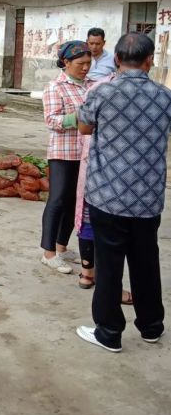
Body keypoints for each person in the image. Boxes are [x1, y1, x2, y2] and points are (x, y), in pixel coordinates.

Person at [76, 32, 171, 352]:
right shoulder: (164, 96)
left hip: (108, 194)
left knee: (110, 263)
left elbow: (85, 127)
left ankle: (109, 332)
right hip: (147, 198)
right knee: (146, 261)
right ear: (149, 61)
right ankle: (152, 327)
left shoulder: (102, 93)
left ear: (116, 59)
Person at [74, 73, 133, 305]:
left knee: (88, 220)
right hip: (118, 176)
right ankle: (109, 289)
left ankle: (87, 273)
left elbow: (84, 129)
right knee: (111, 233)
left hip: (92, 167)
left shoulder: (96, 90)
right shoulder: (151, 93)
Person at [40, 41, 92, 273]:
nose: (85, 68)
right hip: (63, 152)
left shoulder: (91, 86)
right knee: (58, 199)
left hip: (85, 154)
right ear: (66, 62)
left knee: (75, 202)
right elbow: (51, 120)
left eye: (89, 63)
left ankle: (62, 247)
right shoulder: (56, 87)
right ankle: (48, 252)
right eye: (80, 63)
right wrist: (77, 117)